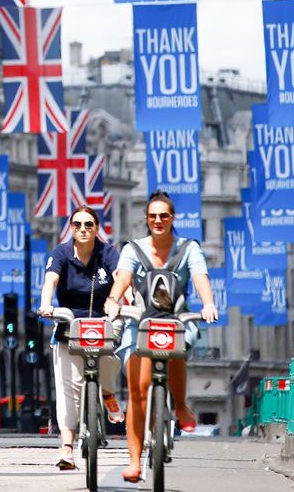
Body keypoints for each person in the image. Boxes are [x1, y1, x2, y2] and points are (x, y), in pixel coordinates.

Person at [103, 191, 219, 484]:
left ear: (172, 218)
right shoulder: (133, 249)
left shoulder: (188, 248)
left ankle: (179, 404)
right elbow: (122, 280)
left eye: (164, 216)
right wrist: (114, 301)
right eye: (153, 216)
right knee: (138, 393)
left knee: (177, 346)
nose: (158, 221)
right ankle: (134, 462)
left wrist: (208, 304)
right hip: (139, 324)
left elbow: (200, 277)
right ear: (146, 219)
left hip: (174, 321)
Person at [37, 205, 123, 471]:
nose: (83, 229)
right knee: (68, 390)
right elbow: (50, 281)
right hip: (69, 324)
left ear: (97, 228)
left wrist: (115, 299)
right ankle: (66, 447)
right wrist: (46, 305)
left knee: (110, 357)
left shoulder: (108, 253)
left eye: (89, 225)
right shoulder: (61, 253)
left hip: (103, 321)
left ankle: (107, 391)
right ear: (71, 228)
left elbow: (121, 278)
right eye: (77, 225)